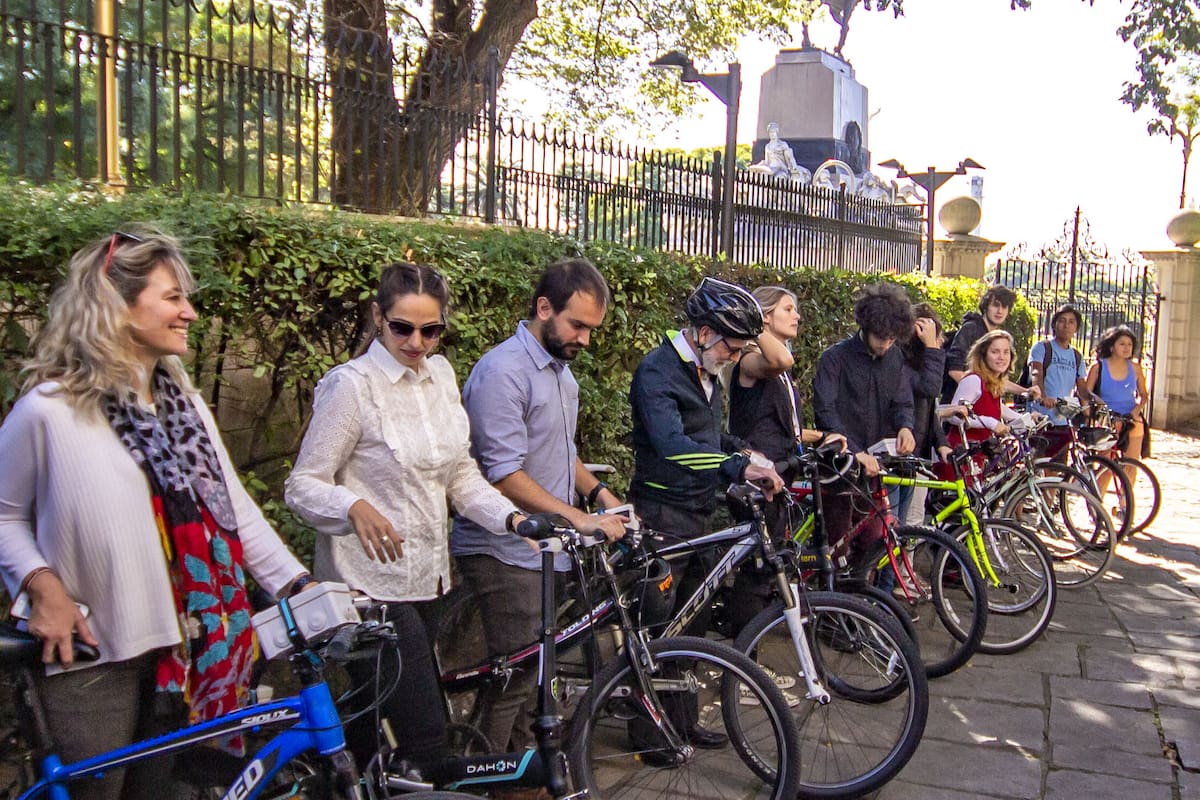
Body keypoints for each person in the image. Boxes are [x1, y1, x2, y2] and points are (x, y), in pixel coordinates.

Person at [0, 229, 311, 800]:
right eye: (172, 297)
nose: (189, 312)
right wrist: (43, 587)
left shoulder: (185, 407)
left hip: (185, 655)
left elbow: (232, 508)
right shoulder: (49, 409)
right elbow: (2, 518)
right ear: (114, 303)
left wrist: (299, 587)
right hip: (93, 658)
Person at [284, 262, 525, 770]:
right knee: (426, 738)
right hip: (367, 589)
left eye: (430, 330)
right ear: (378, 317)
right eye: (402, 328)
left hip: (429, 580)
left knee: (370, 722)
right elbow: (302, 487)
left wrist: (513, 520)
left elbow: (459, 475)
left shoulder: (440, 375)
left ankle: (339, 779)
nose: (416, 342)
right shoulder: (352, 386)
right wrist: (352, 505)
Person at [449, 257, 626, 755]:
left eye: (593, 329)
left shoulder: (561, 374)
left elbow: (561, 452)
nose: (586, 340)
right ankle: (477, 777)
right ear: (544, 308)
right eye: (578, 325)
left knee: (534, 675)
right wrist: (577, 518)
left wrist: (601, 495)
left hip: (547, 550)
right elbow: (503, 473)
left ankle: (521, 775)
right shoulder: (503, 372)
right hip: (503, 550)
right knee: (515, 678)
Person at [628, 276, 784, 753]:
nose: (735, 357)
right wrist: (735, 466)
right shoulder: (657, 372)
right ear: (702, 333)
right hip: (662, 511)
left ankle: (683, 721)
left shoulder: (706, 369)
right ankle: (650, 735)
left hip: (698, 510)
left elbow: (707, 436)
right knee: (656, 628)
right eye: (732, 348)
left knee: (691, 623)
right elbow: (674, 447)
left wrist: (743, 450)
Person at [726, 285, 845, 630]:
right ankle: (746, 664)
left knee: (773, 561)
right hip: (759, 474)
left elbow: (782, 424)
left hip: (781, 472)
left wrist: (821, 436)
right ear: (765, 317)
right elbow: (781, 360)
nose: (797, 316)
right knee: (759, 570)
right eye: (788, 309)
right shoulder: (751, 359)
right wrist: (753, 324)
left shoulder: (774, 366)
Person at [813, 282, 916, 563]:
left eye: (892, 339)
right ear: (865, 327)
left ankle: (864, 598)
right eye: (880, 337)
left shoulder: (894, 357)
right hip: (839, 469)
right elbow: (825, 412)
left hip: (875, 468)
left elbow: (902, 401)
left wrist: (905, 426)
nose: (886, 344)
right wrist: (855, 451)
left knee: (876, 540)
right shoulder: (835, 358)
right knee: (837, 546)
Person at [898, 303, 957, 525]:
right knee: (902, 520)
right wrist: (932, 348)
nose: (940, 343)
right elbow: (931, 388)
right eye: (935, 337)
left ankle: (907, 561)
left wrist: (940, 442)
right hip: (903, 451)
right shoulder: (905, 365)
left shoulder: (923, 364)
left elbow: (929, 407)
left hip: (920, 453)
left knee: (914, 517)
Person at [1084, 325, 1150, 501]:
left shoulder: (1135, 368)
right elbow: (1086, 392)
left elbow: (1144, 395)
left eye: (1130, 344)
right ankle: (1098, 503)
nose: (1127, 347)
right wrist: (1097, 407)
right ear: (1112, 346)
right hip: (1107, 417)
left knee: (1132, 464)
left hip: (1130, 416)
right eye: (1122, 344)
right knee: (1106, 464)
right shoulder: (1098, 367)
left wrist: (1136, 411)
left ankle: (1124, 503)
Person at [943, 284, 1032, 401]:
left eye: (1004, 307)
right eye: (995, 305)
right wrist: (982, 397)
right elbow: (955, 371)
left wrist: (1025, 391)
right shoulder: (970, 329)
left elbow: (995, 381)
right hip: (959, 404)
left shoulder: (995, 335)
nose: (1000, 311)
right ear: (986, 306)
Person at [1028, 304, 1092, 458]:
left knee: (1058, 470)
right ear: (1054, 324)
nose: (1066, 325)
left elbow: (1082, 388)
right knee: (1037, 467)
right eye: (1062, 321)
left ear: (1076, 328)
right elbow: (1036, 372)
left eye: (1071, 322)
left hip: (1063, 420)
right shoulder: (1042, 347)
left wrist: (1094, 402)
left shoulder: (1077, 356)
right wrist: (1042, 397)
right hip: (1040, 418)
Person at [946, 329, 1026, 450]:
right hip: (961, 454)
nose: (1002, 357)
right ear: (983, 355)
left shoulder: (993, 382)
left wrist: (1025, 419)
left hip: (982, 454)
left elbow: (995, 408)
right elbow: (953, 416)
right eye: (995, 352)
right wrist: (990, 423)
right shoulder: (974, 380)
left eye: (1006, 352)